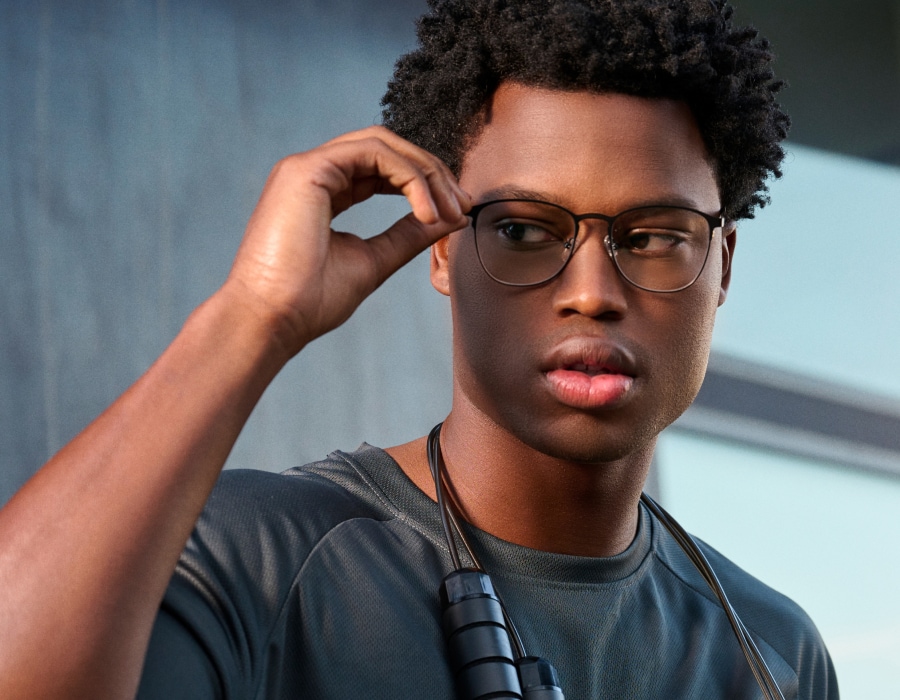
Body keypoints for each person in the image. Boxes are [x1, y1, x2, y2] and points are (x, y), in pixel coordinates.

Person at [0, 0, 838, 698]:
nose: (593, 291)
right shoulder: (253, 556)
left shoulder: (775, 654)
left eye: (654, 236)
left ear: (720, 267)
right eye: (521, 229)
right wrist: (251, 317)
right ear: (441, 248)